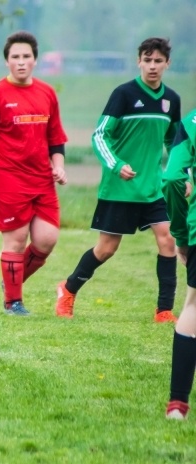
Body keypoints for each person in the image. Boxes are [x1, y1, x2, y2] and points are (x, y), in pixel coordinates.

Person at [55, 37, 181, 322]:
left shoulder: (171, 100)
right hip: (120, 188)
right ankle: (68, 288)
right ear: (139, 61)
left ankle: (164, 311)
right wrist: (117, 165)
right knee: (107, 249)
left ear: (167, 64)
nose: (152, 66)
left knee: (167, 241)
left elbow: (175, 143)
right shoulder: (123, 94)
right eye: (147, 60)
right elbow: (100, 135)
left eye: (158, 61)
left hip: (153, 189)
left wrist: (179, 175)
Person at [0, 31, 68, 316]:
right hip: (7, 176)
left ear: (35, 60)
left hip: (42, 180)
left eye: (26, 56)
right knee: (16, 239)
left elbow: (56, 138)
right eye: (15, 57)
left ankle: (10, 282)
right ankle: (13, 302)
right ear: (7, 62)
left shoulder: (47, 93)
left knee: (46, 240)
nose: (21, 62)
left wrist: (58, 165)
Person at [161, 106, 196, 419]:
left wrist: (182, 235)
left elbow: (172, 178)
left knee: (193, 306)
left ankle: (177, 405)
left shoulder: (191, 123)